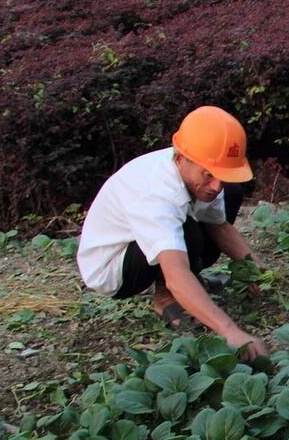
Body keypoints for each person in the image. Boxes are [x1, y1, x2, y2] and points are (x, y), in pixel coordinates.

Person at [77, 106, 268, 361]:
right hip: (113, 267)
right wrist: (230, 331)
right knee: (187, 231)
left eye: (220, 175)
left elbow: (219, 226)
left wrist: (258, 270)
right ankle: (166, 298)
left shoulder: (198, 170)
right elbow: (176, 273)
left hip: (152, 240)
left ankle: (193, 289)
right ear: (180, 159)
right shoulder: (156, 196)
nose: (215, 185)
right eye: (209, 175)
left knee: (230, 194)